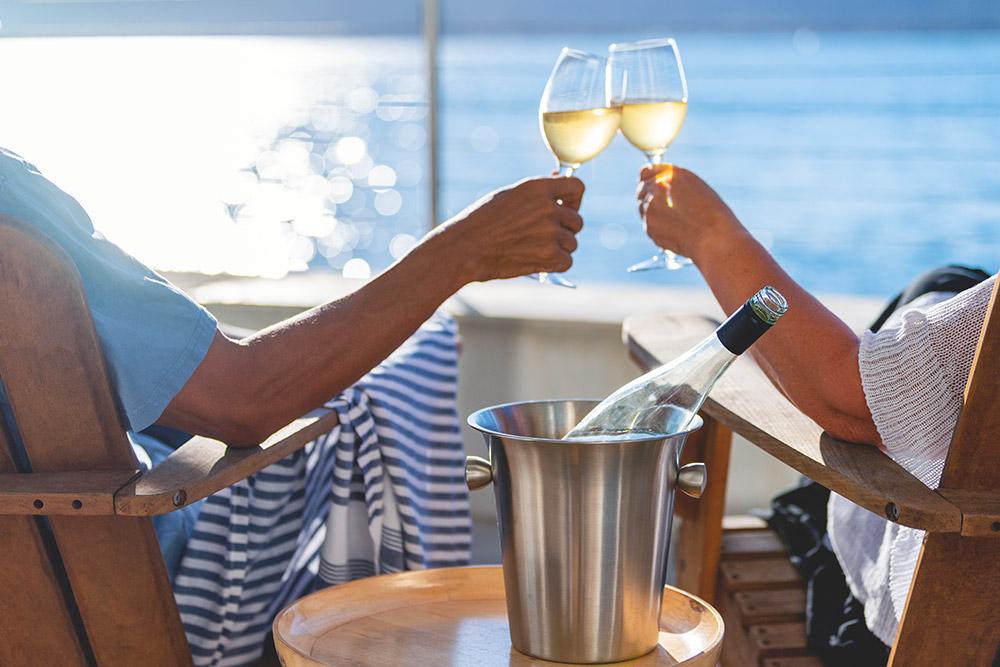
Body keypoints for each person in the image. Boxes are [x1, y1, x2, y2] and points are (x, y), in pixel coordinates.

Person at [0, 146, 584, 664]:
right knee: (409, 366)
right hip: (120, 584)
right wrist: (461, 251)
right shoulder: (11, 196)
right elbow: (241, 401)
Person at [637, 164, 995, 660]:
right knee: (951, 283)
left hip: (940, 626)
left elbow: (849, 402)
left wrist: (709, 235)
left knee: (935, 297)